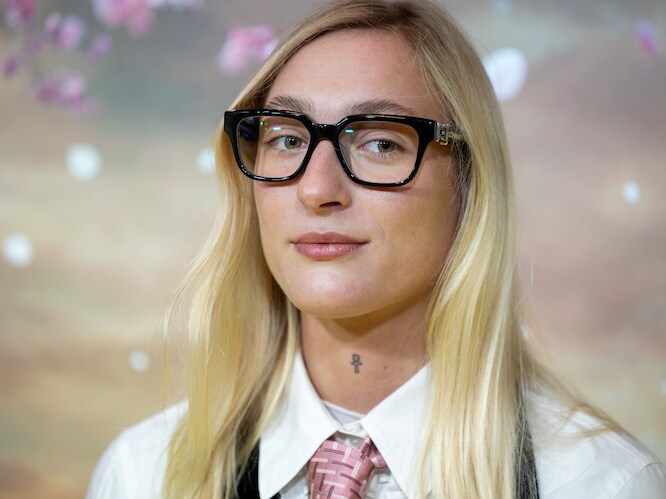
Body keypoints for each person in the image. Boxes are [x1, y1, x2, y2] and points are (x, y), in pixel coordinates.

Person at [86, 1, 666, 498]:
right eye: (287, 138)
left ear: (469, 185)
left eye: (380, 144)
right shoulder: (143, 474)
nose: (317, 189)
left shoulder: (598, 483)